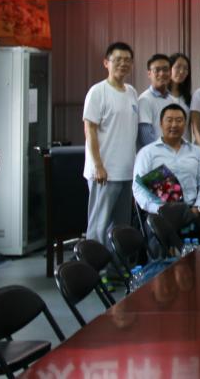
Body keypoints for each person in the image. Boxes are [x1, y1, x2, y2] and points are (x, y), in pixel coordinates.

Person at [132, 104, 200, 239]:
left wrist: (199, 207)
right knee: (158, 237)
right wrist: (157, 209)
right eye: (169, 120)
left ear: (185, 124)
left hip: (192, 210)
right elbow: (138, 189)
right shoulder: (147, 153)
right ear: (160, 124)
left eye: (179, 120)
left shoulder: (196, 152)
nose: (174, 125)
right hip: (161, 213)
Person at [83, 41, 139, 248]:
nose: (123, 63)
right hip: (104, 173)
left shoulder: (131, 92)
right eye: (118, 60)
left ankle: (117, 266)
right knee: (99, 226)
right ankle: (93, 266)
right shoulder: (98, 92)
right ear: (106, 62)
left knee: (121, 228)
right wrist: (98, 165)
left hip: (126, 171)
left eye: (127, 60)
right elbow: (90, 129)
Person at [137, 53, 175, 150]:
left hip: (170, 153)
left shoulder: (172, 100)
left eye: (165, 70)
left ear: (170, 73)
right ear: (149, 74)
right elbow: (146, 137)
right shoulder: (144, 100)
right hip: (153, 155)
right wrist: (162, 153)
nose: (161, 74)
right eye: (157, 70)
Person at [168, 52, 193, 141]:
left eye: (185, 68)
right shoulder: (161, 96)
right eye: (178, 67)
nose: (182, 71)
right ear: (169, 68)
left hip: (184, 145)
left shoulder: (188, 98)